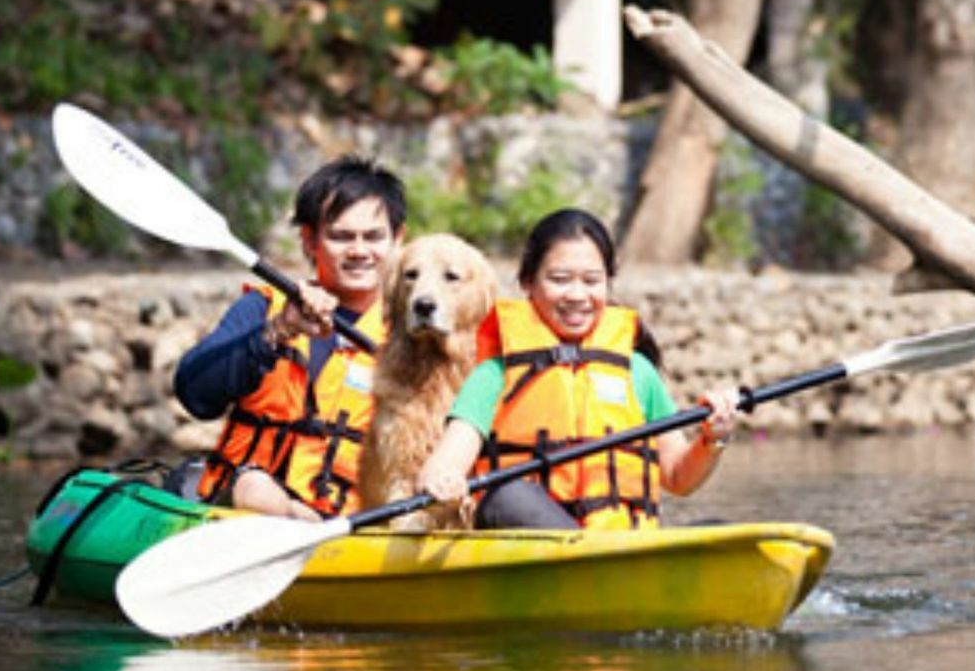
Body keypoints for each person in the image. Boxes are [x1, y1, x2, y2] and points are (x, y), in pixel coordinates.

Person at [416, 208, 741, 530]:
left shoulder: (636, 371)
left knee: (722, 530)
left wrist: (712, 440)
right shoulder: (494, 375)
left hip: (620, 544)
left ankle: (617, 565)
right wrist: (443, 481)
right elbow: (442, 465)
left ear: (608, 283)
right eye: (559, 280)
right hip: (534, 546)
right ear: (528, 282)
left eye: (591, 281)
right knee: (508, 497)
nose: (577, 295)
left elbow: (677, 477)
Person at [173, 156, 406, 520]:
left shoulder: (411, 334)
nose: (359, 251)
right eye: (341, 237)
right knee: (257, 491)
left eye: (374, 237)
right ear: (310, 240)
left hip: (351, 523)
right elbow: (196, 395)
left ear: (397, 239)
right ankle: (291, 517)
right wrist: (280, 330)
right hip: (246, 505)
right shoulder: (264, 310)